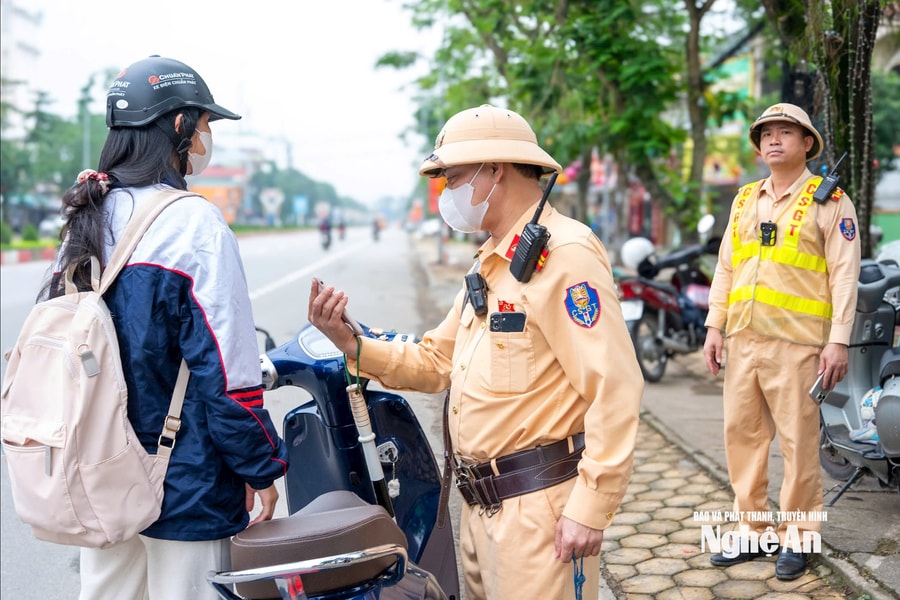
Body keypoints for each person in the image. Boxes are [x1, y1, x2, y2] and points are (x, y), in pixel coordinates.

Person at [308, 104, 643, 600]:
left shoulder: (565, 256)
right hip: (481, 509)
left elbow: (614, 387)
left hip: (539, 513)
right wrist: (351, 344)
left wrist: (590, 507)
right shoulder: (493, 262)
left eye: (454, 177)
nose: (446, 193)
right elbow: (437, 360)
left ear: (495, 169)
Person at [41, 56, 289, 600]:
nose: (205, 138)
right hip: (186, 482)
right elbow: (228, 376)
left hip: (98, 471)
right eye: (204, 125)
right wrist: (260, 468)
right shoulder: (192, 225)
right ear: (178, 126)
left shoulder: (86, 218)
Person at [702, 102, 861, 581]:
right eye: (766, 133)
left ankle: (797, 537)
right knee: (742, 441)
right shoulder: (745, 198)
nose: (773, 139)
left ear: (807, 143)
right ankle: (752, 530)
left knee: (798, 445)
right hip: (744, 340)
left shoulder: (829, 200)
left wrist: (838, 342)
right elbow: (728, 264)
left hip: (799, 346)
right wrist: (714, 323)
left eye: (785, 132)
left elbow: (845, 275)